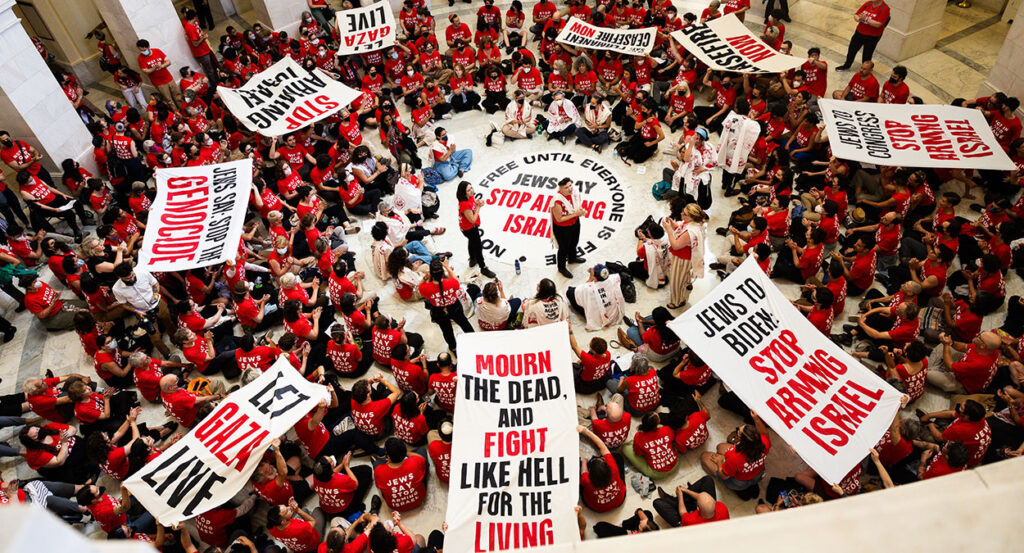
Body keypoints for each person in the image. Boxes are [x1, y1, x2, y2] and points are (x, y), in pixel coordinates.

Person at [701, 411, 770, 496]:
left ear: (740, 439)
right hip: (758, 473)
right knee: (720, 447)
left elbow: (724, 475)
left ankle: (740, 489)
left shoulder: (734, 457)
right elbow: (764, 433)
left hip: (739, 482)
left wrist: (719, 462)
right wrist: (756, 419)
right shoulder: (764, 443)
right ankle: (750, 484)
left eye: (739, 431)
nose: (738, 429)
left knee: (704, 457)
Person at [418, 257, 475, 352]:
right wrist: (447, 267)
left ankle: (453, 347)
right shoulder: (451, 282)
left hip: (438, 311)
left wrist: (425, 277)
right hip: (454, 307)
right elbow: (457, 281)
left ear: (431, 273)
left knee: (446, 330)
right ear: (442, 272)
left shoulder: (426, 288)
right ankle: (473, 338)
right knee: (464, 323)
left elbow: (420, 286)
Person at [663, 203, 706, 309]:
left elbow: (676, 245)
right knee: (684, 273)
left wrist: (669, 230)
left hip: (682, 258)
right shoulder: (695, 223)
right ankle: (687, 283)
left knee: (676, 280)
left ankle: (677, 301)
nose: (681, 214)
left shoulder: (690, 231)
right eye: (683, 211)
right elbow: (682, 229)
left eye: (685, 214)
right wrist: (673, 225)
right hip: (689, 255)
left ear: (692, 217)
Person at [577, 425, 627, 512]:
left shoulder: (586, 480)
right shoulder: (613, 469)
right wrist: (586, 431)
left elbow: (584, 471)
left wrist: (584, 462)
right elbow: (603, 447)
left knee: (578, 471)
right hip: (619, 500)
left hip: (596, 507)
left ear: (590, 473)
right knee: (617, 457)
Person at [373, 438, 429, 512]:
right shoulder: (415, 461)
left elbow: (379, 486)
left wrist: (388, 463)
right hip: (418, 499)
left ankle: (387, 459)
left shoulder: (379, 471)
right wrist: (405, 452)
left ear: (388, 456)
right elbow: (423, 460)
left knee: (376, 463)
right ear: (404, 451)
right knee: (422, 450)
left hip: (395, 506)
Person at [566, 264, 625, 331]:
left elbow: (581, 291)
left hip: (598, 318)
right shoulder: (614, 279)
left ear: (595, 278)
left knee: (570, 291)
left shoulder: (588, 288)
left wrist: (590, 279)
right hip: (613, 315)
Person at [652, 476, 729, 527]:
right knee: (708, 479)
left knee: (657, 503)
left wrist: (680, 496)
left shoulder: (691, 522)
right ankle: (686, 499)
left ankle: (675, 500)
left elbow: (683, 513)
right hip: (701, 510)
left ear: (698, 508)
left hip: (687, 521)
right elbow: (700, 496)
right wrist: (686, 490)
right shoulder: (722, 507)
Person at [836, 0, 890, 70]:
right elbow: (856, 14)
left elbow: (878, 24)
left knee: (867, 55)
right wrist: (858, 19)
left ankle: (865, 70)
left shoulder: (885, 8)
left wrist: (866, 19)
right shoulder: (868, 3)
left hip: (872, 36)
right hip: (859, 32)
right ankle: (847, 65)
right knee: (852, 50)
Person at [550, 177, 586, 278]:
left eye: (570, 185)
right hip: (563, 228)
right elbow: (559, 219)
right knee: (563, 248)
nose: (570, 189)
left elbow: (576, 206)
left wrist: (581, 211)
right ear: (560, 189)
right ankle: (561, 267)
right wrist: (576, 214)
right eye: (566, 187)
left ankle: (572, 258)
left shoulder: (573, 193)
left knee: (574, 242)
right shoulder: (557, 201)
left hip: (575, 223)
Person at [135, 39, 183, 107]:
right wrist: (154, 67)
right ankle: (175, 111)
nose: (143, 52)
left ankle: (182, 108)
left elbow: (168, 62)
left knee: (177, 95)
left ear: (148, 47)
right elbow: (146, 71)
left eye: (144, 50)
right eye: (141, 50)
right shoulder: (140, 58)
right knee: (168, 99)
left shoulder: (157, 51)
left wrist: (162, 66)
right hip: (159, 83)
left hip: (168, 78)